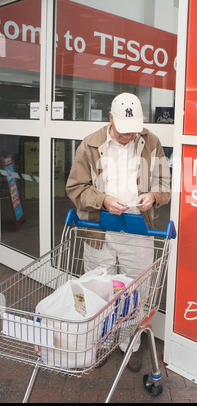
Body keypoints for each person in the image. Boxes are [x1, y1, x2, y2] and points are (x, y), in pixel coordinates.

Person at [66, 92, 171, 371]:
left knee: (136, 289)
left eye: (134, 129)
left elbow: (164, 183)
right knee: (99, 289)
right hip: (100, 229)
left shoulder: (151, 142)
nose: (130, 135)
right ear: (110, 119)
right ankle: (101, 341)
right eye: (124, 131)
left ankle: (130, 343)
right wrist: (103, 201)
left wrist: (154, 196)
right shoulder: (89, 145)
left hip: (138, 229)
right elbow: (75, 188)